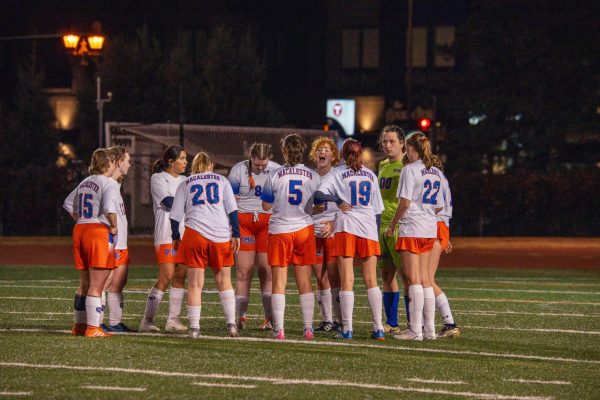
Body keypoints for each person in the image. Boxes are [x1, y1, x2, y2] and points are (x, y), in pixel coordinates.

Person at [316, 139, 385, 340]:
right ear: (361, 154)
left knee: (347, 280)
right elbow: (378, 211)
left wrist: (337, 200)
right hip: (369, 228)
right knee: (371, 280)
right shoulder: (371, 175)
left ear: (343, 155)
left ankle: (347, 329)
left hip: (346, 227)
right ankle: (378, 328)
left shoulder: (337, 173)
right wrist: (375, 234)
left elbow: (319, 195)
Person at [170, 152, 241, 338]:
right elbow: (232, 210)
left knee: (194, 284)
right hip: (220, 234)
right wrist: (236, 234)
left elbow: (175, 216)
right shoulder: (221, 180)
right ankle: (232, 324)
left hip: (195, 234)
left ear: (195, 166)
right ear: (210, 166)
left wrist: (176, 236)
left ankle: (194, 327)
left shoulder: (186, 182)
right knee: (224, 280)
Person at [385, 131, 445, 341]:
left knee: (414, 280)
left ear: (410, 148)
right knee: (425, 280)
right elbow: (439, 207)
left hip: (412, 229)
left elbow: (405, 203)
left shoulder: (409, 170)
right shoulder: (436, 172)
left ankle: (416, 331)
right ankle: (429, 331)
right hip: (429, 230)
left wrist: (393, 225)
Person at [260, 134, 319, 340]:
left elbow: (266, 205)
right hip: (304, 229)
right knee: (305, 282)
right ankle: (308, 328)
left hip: (281, 230)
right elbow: (318, 205)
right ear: (301, 150)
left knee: (279, 282)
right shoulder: (313, 175)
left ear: (284, 150)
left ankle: (280, 329)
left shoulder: (275, 175)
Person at [228, 143, 280, 331]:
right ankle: (240, 316)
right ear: (251, 158)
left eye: (263, 164)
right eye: (256, 164)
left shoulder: (276, 170)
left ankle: (269, 317)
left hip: (267, 222)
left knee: (267, 271)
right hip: (244, 222)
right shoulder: (238, 170)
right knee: (244, 271)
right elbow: (230, 198)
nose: (260, 168)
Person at [67, 148, 119, 337]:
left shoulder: (84, 182)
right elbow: (109, 208)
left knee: (85, 283)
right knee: (97, 285)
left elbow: (69, 204)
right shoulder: (108, 183)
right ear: (107, 164)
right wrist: (114, 226)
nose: (115, 165)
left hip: (80, 229)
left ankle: (79, 326)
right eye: (113, 162)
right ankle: (93, 328)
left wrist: (83, 220)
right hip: (97, 232)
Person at [140, 146, 188, 333]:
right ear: (171, 161)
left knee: (179, 276)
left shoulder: (185, 180)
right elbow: (168, 202)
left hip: (184, 234)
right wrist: (187, 201)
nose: (185, 162)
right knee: (166, 276)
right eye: (182, 158)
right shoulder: (157, 178)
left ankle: (173, 320)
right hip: (166, 234)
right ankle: (147, 320)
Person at [376, 126, 409, 334]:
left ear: (402, 143)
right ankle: (392, 323)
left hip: (399, 227)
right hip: (381, 226)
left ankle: (415, 323)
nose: (387, 145)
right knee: (387, 276)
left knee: (408, 277)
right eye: (385, 141)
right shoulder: (382, 164)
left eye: (392, 141)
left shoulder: (408, 166)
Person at [309, 136, 342, 332]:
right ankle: (327, 319)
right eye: (319, 149)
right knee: (319, 276)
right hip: (313, 229)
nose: (323, 152)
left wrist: (333, 222)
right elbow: (303, 206)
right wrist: (312, 211)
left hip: (333, 229)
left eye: (327, 149)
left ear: (333, 155)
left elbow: (347, 205)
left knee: (333, 275)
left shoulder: (338, 176)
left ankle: (340, 319)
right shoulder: (310, 177)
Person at [429, 159, 461, 338]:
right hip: (440, 227)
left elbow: (434, 208)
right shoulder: (441, 178)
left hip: (435, 226)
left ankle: (449, 323)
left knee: (426, 279)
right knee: (424, 280)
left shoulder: (434, 177)